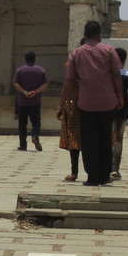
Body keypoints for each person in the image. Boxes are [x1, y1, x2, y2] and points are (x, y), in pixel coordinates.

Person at [60, 21, 123, 186]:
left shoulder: (76, 53)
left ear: (85, 34)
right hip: (107, 102)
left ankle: (93, 176)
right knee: (105, 138)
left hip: (86, 103)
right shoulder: (108, 50)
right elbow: (117, 75)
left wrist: (64, 103)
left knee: (89, 141)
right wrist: (120, 97)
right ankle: (104, 174)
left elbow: (69, 81)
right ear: (99, 34)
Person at [57, 39, 84, 182]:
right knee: (89, 137)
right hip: (92, 102)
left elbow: (67, 85)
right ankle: (95, 171)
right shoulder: (98, 62)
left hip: (73, 104)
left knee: (74, 138)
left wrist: (62, 106)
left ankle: (74, 172)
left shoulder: (73, 62)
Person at [110, 47, 128, 180]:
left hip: (109, 110)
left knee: (110, 138)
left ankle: (109, 167)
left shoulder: (107, 73)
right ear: (124, 60)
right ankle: (116, 169)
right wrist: (126, 102)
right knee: (119, 139)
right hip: (123, 111)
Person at [13, 51, 49, 151]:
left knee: (22, 123)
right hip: (35, 101)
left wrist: (25, 92)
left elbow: (15, 84)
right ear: (35, 59)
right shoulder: (41, 70)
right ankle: (35, 136)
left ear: (25, 59)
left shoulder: (20, 70)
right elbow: (45, 84)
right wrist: (35, 92)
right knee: (36, 122)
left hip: (22, 102)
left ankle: (23, 145)